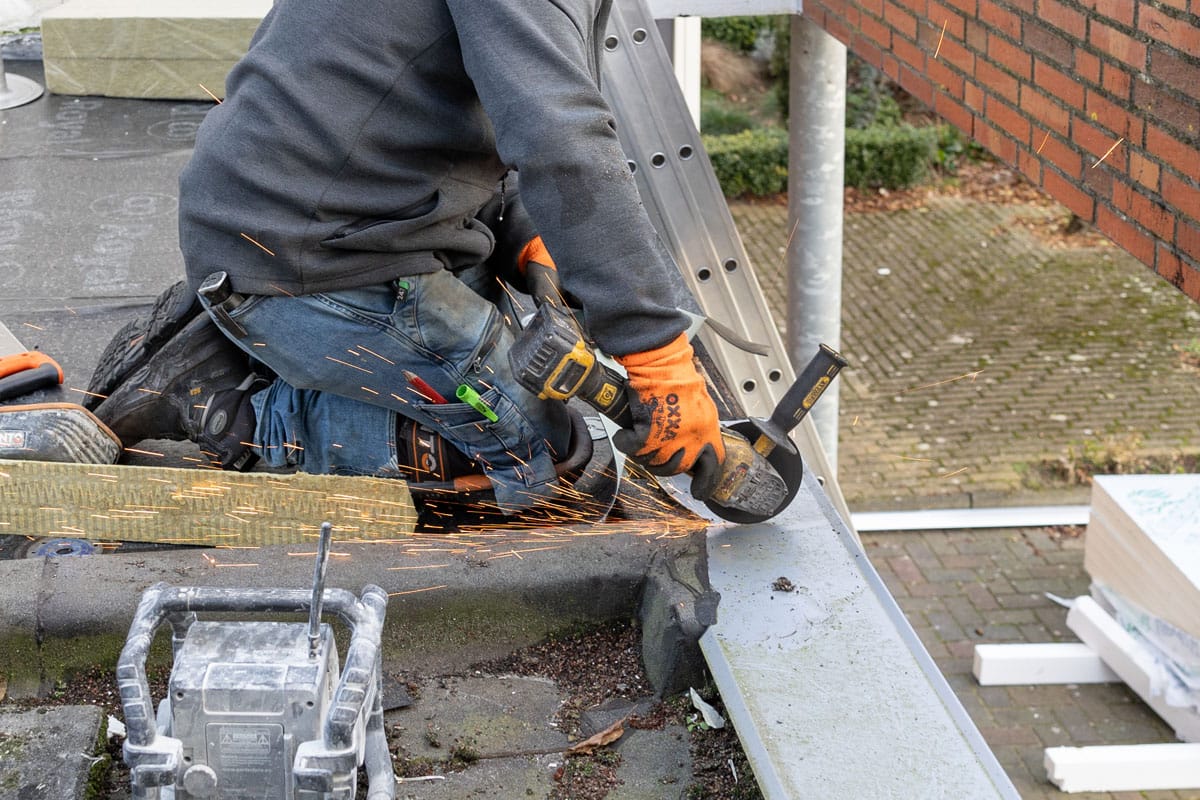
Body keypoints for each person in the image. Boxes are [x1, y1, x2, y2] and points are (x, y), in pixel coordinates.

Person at [92, 0, 726, 514]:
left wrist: (528, 235)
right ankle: (225, 404)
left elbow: (473, 114)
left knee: (499, 369)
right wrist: (658, 356)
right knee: (546, 464)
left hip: (307, 216)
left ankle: (261, 340)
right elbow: (561, 137)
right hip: (310, 247)